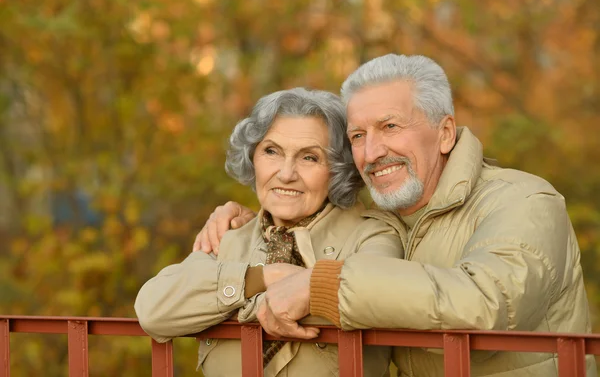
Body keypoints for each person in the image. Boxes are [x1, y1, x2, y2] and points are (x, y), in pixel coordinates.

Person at [195, 54, 596, 376]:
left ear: (445, 133)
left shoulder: (525, 200)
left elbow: (487, 303)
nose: (371, 152)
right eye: (357, 136)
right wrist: (252, 220)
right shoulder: (384, 220)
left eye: (390, 126)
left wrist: (320, 287)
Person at [135, 88, 404, 376]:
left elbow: (374, 295)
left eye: (309, 158)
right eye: (272, 151)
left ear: (338, 169)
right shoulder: (230, 236)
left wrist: (241, 304)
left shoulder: (373, 234)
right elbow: (154, 311)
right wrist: (263, 277)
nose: (286, 173)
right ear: (253, 158)